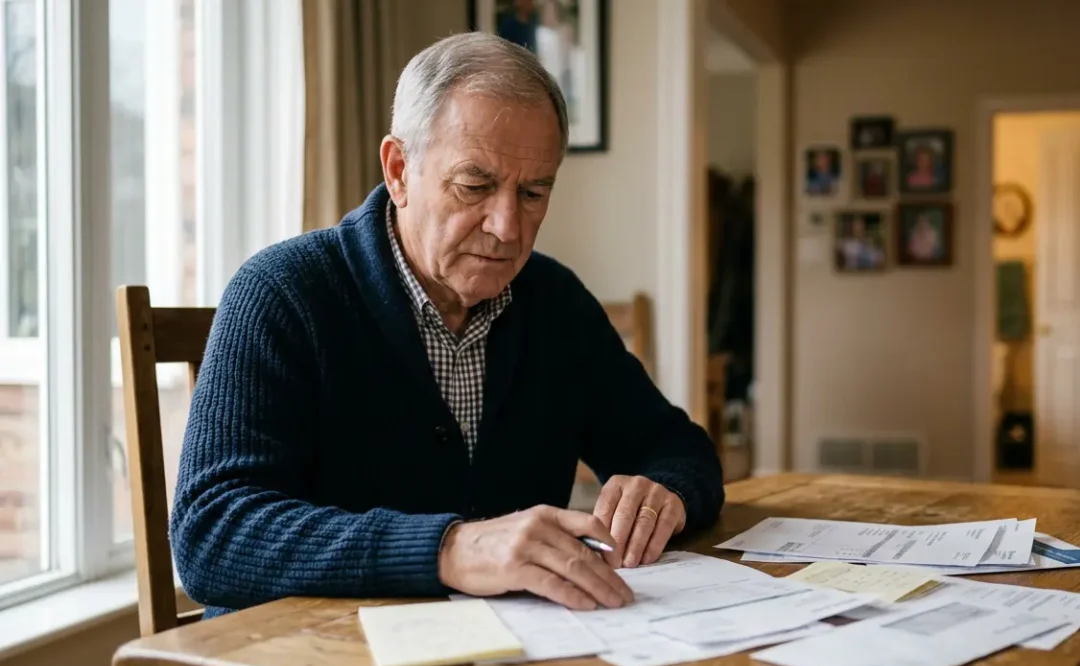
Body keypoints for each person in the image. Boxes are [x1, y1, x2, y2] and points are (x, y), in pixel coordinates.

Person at [170, 32, 724, 618]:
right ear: (399, 170)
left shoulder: (554, 301)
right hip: (310, 654)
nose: (508, 228)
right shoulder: (281, 292)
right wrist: (449, 549)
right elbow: (212, 532)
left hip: (508, 649)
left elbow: (678, 447)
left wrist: (663, 492)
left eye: (533, 193)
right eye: (475, 186)